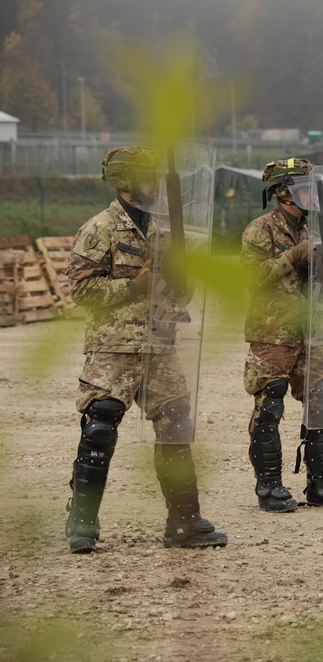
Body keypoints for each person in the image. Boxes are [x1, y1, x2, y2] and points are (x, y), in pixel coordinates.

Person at [64, 146, 227, 553]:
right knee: (101, 426)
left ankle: (184, 523)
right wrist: (136, 284)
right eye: (149, 177)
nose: (156, 185)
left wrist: (183, 278)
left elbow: (181, 292)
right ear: (126, 183)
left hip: (160, 345)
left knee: (176, 425)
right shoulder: (99, 228)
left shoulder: (165, 231)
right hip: (114, 346)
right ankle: (82, 522)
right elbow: (81, 289)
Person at [241, 158, 323, 511]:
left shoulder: (316, 227)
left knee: (321, 399)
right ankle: (270, 487)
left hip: (310, 331)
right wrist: (293, 256)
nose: (311, 195)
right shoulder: (259, 230)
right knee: (270, 404)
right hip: (273, 331)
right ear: (283, 193)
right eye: (304, 188)